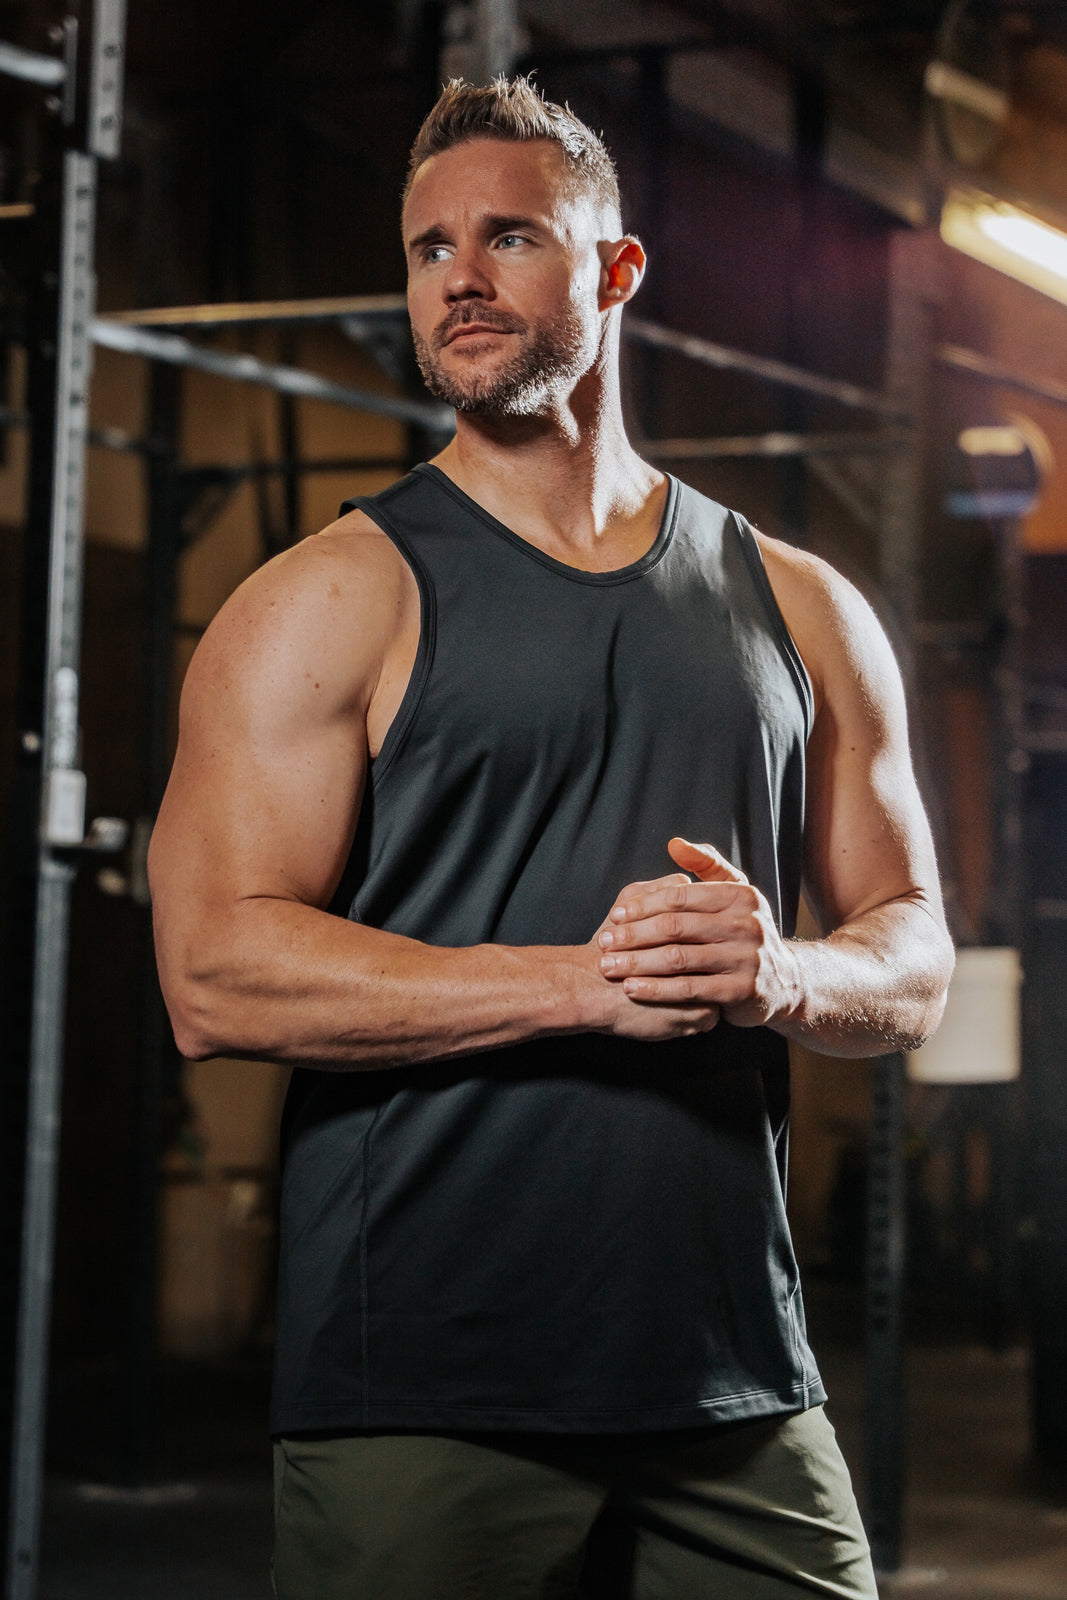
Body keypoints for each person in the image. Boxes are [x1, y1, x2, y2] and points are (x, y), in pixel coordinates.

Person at [149, 75, 954, 1600]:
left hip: (733, 1381)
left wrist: (778, 974)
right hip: (428, 1393)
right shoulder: (328, 600)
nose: (458, 275)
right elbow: (213, 974)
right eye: (428, 246)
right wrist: (580, 987)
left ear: (617, 272)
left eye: (510, 236)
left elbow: (912, 957)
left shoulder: (800, 606)